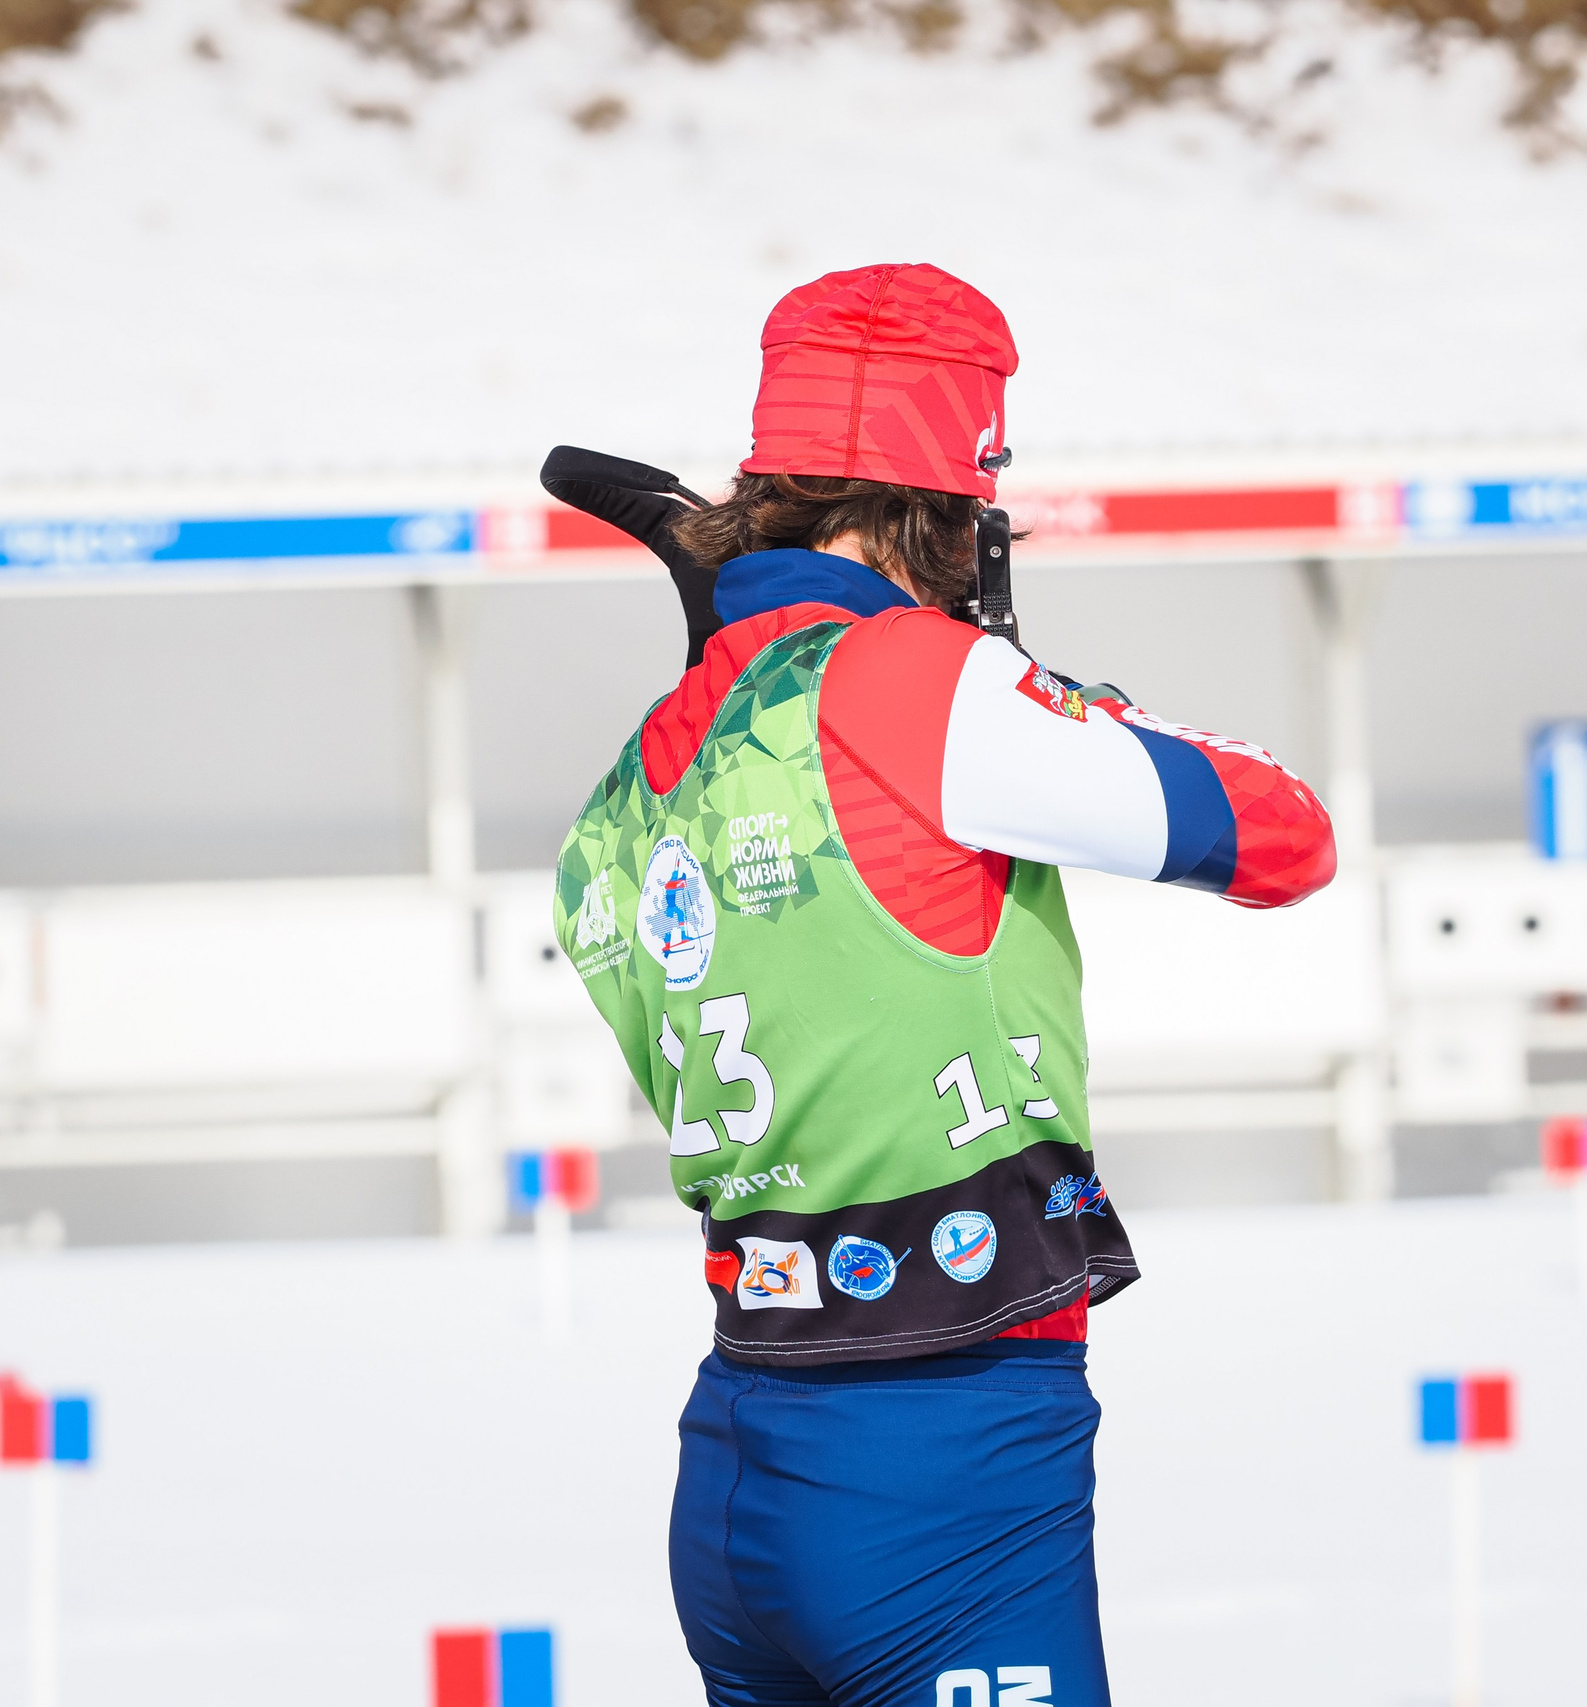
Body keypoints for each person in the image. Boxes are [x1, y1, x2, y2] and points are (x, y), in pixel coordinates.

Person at [551, 263, 1336, 1707]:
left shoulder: (641, 773)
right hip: (944, 1462)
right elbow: (1285, 836)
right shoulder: (923, 683)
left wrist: (750, 656)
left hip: (740, 1461)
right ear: (947, 508)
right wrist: (1028, 684)